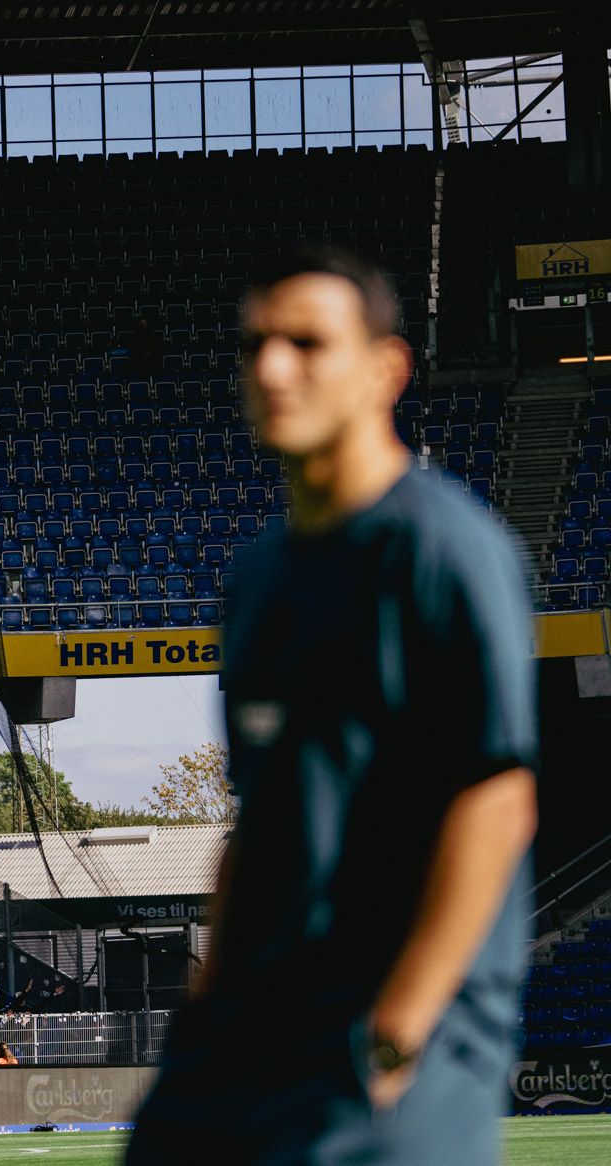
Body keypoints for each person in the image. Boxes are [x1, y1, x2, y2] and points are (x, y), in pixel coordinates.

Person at [125, 247, 540, 1166]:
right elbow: (258, 817)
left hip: (391, 1035)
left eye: (307, 343)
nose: (273, 368)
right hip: (258, 1021)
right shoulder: (258, 575)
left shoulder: (445, 552)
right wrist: (208, 1006)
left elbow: (496, 800)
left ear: (386, 370)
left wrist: (397, 1032)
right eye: (255, 345)